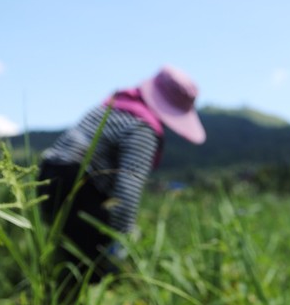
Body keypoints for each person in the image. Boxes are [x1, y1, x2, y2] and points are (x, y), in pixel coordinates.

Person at [38, 65, 206, 278]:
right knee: (90, 269)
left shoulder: (113, 106)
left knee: (68, 256)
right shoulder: (142, 128)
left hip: (48, 176)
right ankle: (80, 304)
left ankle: (56, 297)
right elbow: (128, 189)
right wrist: (122, 239)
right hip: (81, 186)